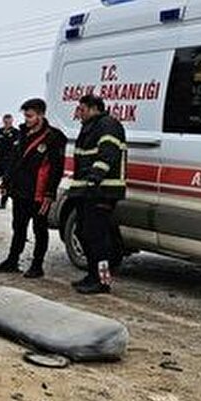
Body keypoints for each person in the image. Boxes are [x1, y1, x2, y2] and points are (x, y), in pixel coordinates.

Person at [0, 99, 66, 278]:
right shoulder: (21, 134)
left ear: (41, 115)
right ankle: (12, 260)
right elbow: (14, 161)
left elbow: (57, 168)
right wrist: (7, 182)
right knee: (18, 226)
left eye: (30, 116)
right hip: (20, 190)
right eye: (25, 116)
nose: (27, 119)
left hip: (39, 193)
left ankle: (37, 265)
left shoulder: (54, 137)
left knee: (39, 229)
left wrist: (50, 192)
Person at [68, 94, 127, 294]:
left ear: (94, 108)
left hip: (102, 191)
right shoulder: (90, 127)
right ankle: (92, 275)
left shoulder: (108, 125)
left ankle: (102, 280)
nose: (79, 114)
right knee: (84, 233)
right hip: (87, 190)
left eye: (82, 109)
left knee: (97, 237)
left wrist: (94, 178)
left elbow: (107, 154)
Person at [0, 113, 20, 209]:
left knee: (6, 182)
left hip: (9, 162)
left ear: (11, 122)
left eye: (8, 122)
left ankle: (3, 202)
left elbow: (17, 148)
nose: (7, 124)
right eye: (5, 122)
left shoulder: (16, 132)